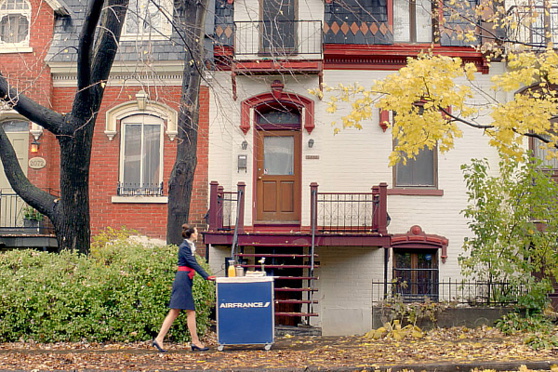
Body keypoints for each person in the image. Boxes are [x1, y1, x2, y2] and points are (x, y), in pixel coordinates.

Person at [152, 224, 216, 352]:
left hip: (185, 279)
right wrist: (206, 276)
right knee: (187, 311)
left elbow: (192, 264)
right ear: (192, 234)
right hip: (183, 280)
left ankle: (161, 339)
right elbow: (193, 263)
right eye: (196, 232)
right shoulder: (184, 247)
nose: (197, 234)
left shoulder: (188, 246)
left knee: (178, 311)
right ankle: (194, 341)